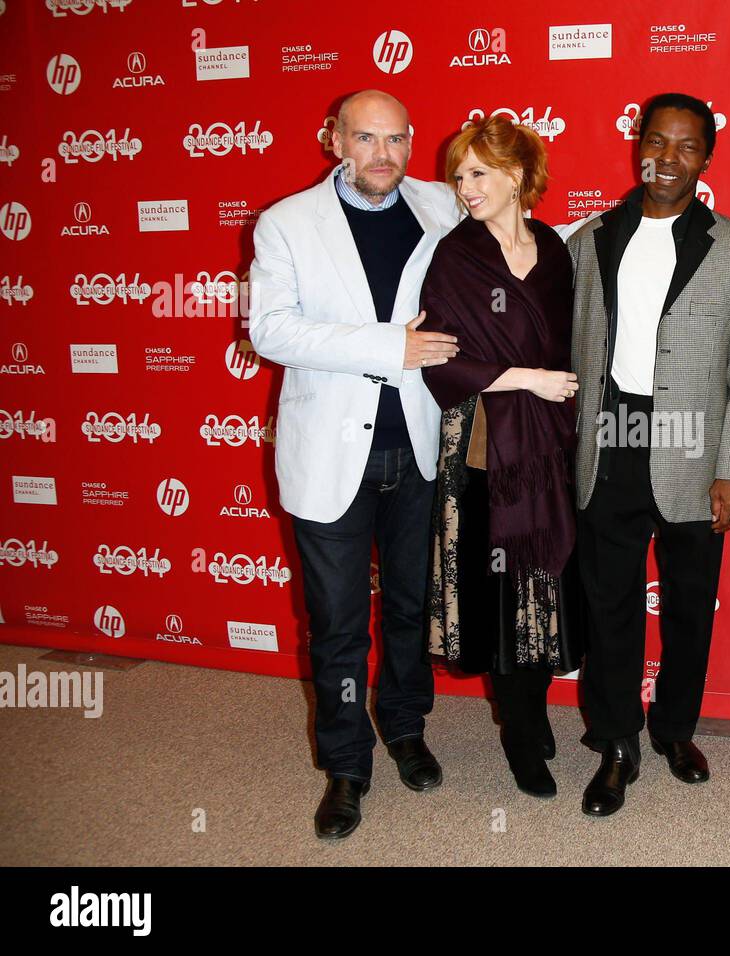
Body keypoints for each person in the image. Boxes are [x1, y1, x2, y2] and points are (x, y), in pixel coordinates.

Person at [248, 90, 459, 840]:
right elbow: (271, 330)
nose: (382, 154)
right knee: (338, 624)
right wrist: (386, 348)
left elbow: (517, 236)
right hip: (329, 455)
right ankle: (346, 765)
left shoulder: (443, 204)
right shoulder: (286, 224)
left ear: (412, 142)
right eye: (365, 138)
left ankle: (405, 728)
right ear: (335, 139)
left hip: (420, 444)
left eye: (396, 139)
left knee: (409, 607)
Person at [566, 93, 730, 817]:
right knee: (608, 605)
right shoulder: (588, 239)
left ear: (706, 158)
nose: (669, 157)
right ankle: (617, 742)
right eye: (658, 140)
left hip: (692, 445)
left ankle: (674, 729)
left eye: (688, 146)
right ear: (637, 145)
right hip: (608, 445)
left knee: (689, 605)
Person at [419, 116, 581, 799]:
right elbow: (442, 361)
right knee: (503, 591)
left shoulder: (552, 245)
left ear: (516, 175)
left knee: (547, 583)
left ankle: (533, 708)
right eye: (459, 175)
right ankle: (519, 736)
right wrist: (527, 379)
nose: (465, 186)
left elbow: (575, 339)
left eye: (478, 172)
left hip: (551, 447)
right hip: (488, 449)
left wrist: (561, 396)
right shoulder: (457, 256)